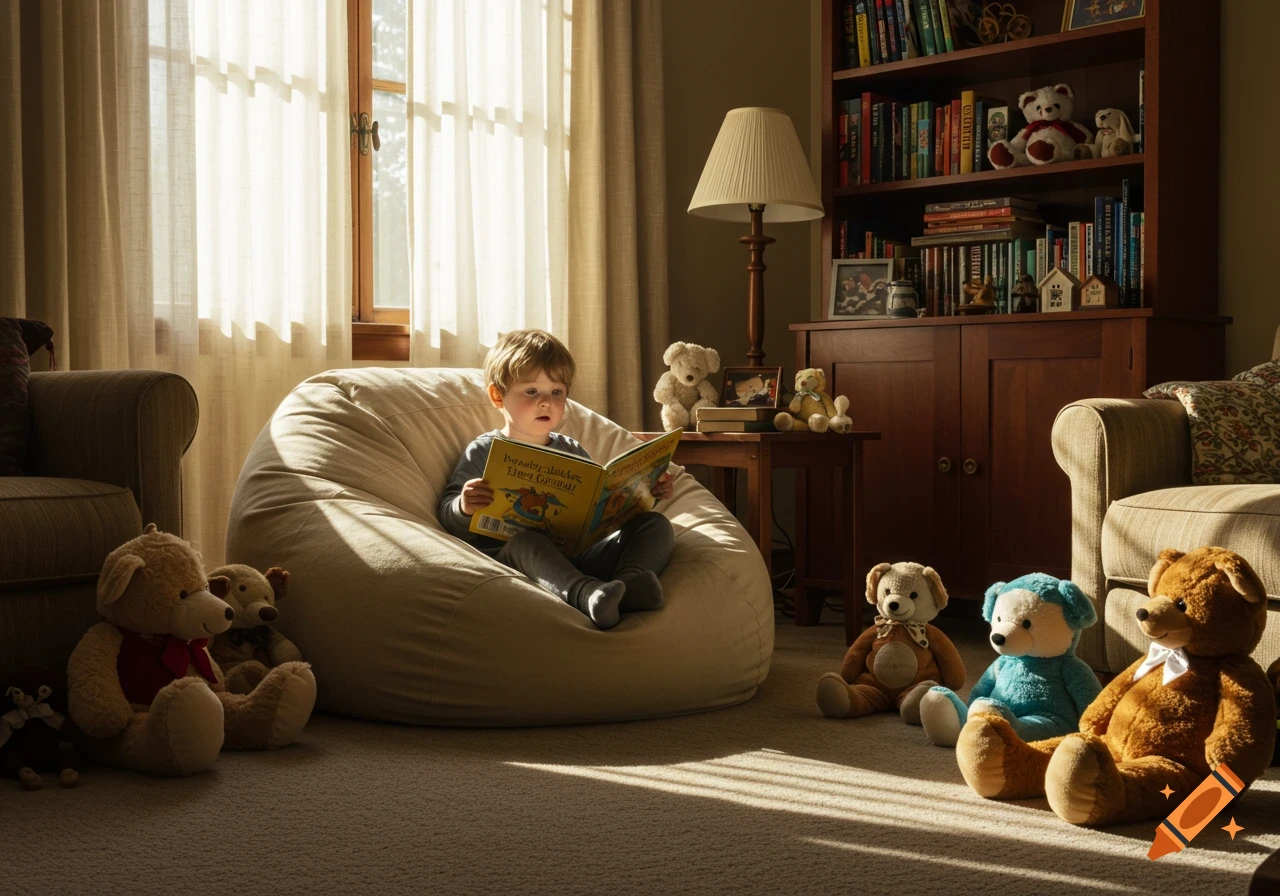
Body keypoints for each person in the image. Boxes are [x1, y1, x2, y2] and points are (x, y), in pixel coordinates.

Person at [438, 329, 676, 630]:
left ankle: (628, 586)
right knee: (527, 541)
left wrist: (646, 492)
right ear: (498, 395)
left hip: (581, 553)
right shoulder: (484, 449)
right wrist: (464, 505)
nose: (545, 402)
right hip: (521, 558)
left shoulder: (571, 449)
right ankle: (588, 595)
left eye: (556, 392)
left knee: (656, 525)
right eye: (531, 391)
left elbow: (598, 506)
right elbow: (447, 515)